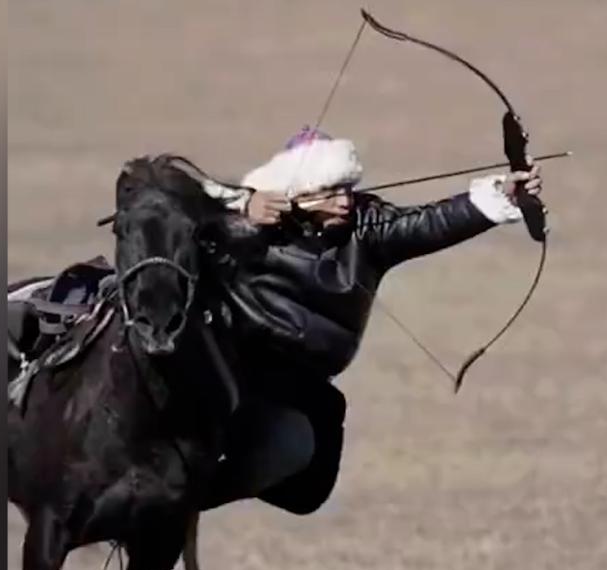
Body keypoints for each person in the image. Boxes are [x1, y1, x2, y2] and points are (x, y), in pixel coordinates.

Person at [199, 126, 543, 514]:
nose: (345, 200)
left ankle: (188, 501)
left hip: (302, 386)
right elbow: (159, 204)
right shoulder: (248, 227)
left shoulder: (366, 227)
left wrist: (499, 197)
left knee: (307, 489)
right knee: (287, 448)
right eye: (329, 190)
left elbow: (429, 223)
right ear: (296, 195)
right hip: (230, 377)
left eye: (348, 186)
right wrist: (238, 208)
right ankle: (167, 503)